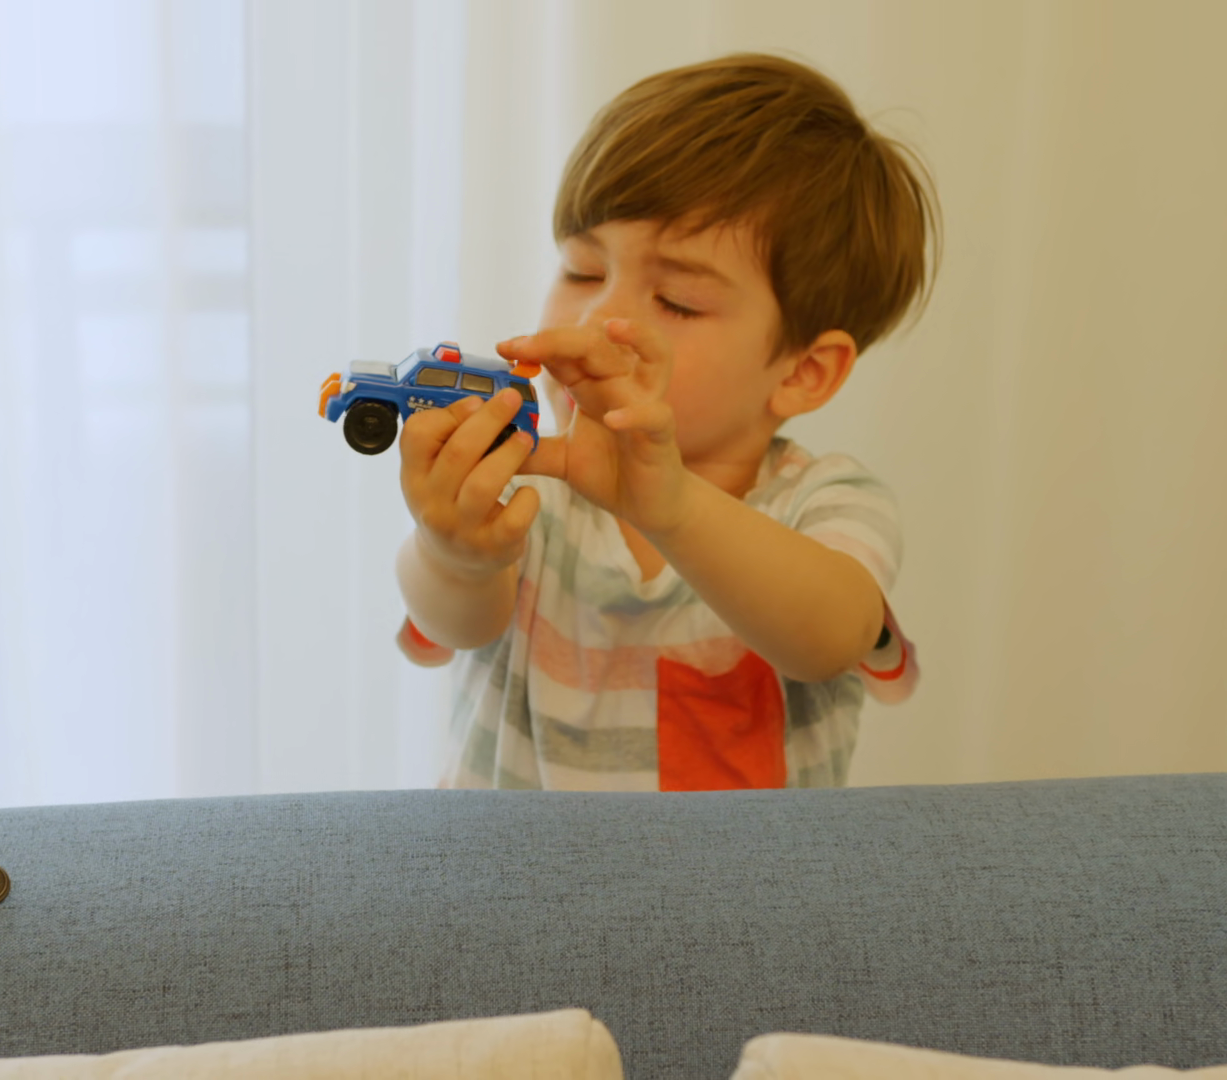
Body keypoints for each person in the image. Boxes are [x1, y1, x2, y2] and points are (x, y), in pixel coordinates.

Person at [396, 53, 933, 790]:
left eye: (677, 300)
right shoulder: (530, 483)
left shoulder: (827, 502)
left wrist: (673, 508)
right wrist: (453, 554)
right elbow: (456, 623)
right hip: (510, 866)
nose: (596, 315)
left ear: (802, 372)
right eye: (582, 270)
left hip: (737, 873)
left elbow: (831, 639)